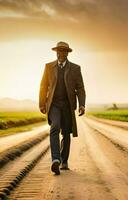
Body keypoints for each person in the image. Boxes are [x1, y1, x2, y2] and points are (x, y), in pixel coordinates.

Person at [39, 41, 86, 175]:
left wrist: (82, 104)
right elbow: (43, 86)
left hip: (67, 105)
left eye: (64, 51)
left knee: (66, 132)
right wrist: (42, 103)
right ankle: (55, 159)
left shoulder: (75, 69)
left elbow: (80, 88)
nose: (61, 53)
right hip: (53, 104)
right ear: (56, 52)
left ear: (67, 53)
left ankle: (64, 161)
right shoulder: (48, 67)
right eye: (59, 51)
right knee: (55, 127)